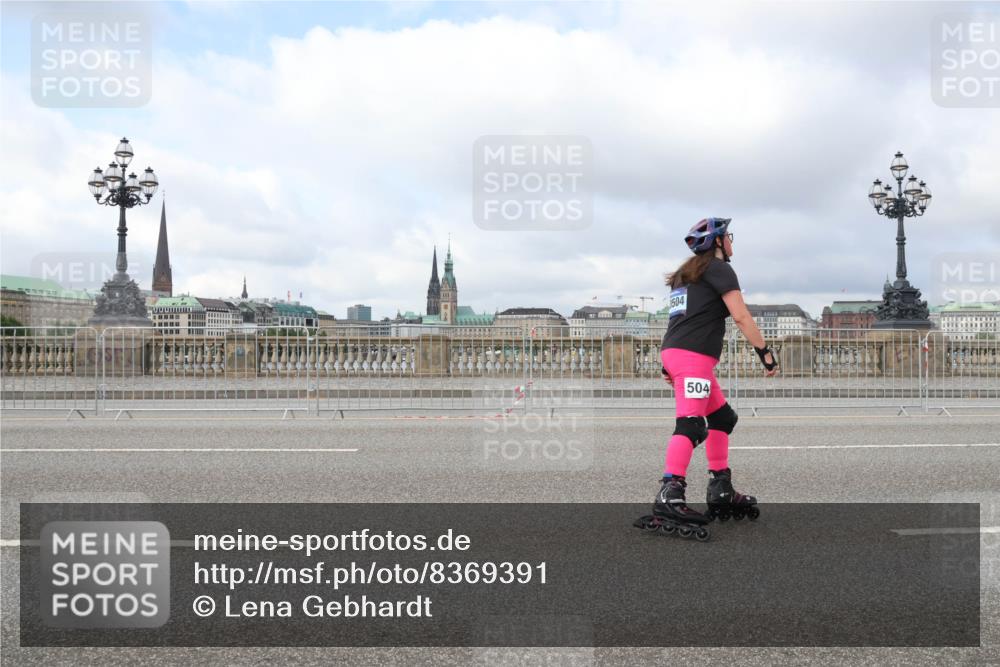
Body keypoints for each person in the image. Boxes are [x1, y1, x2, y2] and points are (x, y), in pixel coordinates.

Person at [643, 217, 778, 536]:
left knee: (722, 418)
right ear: (717, 242)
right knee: (690, 424)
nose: (731, 241)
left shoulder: (686, 275)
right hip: (693, 357)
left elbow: (679, 319)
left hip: (679, 352)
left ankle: (721, 488)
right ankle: (669, 492)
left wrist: (667, 363)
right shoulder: (719, 269)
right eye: (728, 236)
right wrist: (765, 352)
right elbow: (741, 316)